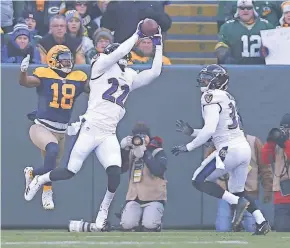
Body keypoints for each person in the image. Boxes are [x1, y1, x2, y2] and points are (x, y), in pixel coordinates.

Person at [24, 20, 163, 231]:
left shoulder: (130, 76)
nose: (127, 58)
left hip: (108, 133)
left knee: (115, 173)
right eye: (123, 55)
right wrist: (137, 35)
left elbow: (154, 73)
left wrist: (159, 44)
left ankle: (103, 210)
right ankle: (40, 178)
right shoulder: (99, 67)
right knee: (71, 171)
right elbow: (117, 54)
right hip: (90, 128)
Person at [171, 64, 271, 235]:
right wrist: (192, 133)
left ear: (218, 81)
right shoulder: (227, 97)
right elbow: (218, 130)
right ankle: (262, 222)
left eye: (208, 78)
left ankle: (236, 202)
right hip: (243, 149)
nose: (204, 81)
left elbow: (210, 130)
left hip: (228, 150)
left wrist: (188, 147)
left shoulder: (210, 96)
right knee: (238, 190)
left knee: (198, 180)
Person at [20, 45, 89, 210]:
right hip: (41, 127)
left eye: (69, 58)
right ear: (53, 59)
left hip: (61, 131)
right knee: (52, 150)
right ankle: (47, 191)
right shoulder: (44, 74)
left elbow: (94, 91)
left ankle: (32, 174)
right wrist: (23, 71)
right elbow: (25, 82)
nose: (67, 61)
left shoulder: (78, 77)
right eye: (63, 58)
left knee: (52, 167)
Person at [204, 134, 273, 232]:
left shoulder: (253, 142)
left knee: (252, 227)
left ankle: (251, 224)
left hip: (249, 191)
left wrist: (268, 189)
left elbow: (265, 167)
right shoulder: (219, 142)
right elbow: (208, 163)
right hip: (226, 192)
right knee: (223, 228)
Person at [119, 122, 168, 232]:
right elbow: (122, 168)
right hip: (134, 198)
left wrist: (145, 154)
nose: (141, 140)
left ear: (149, 137)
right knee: (127, 225)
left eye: (144, 136)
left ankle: (154, 222)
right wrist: (123, 150)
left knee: (150, 226)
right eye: (138, 136)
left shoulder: (158, 151)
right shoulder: (132, 152)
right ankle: (135, 220)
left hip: (154, 197)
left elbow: (158, 171)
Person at [215, 0, 274, 65]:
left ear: (253, 10)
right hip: (236, 70)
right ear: (238, 10)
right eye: (242, 8)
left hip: (262, 70)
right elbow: (221, 46)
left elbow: (275, 48)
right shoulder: (227, 27)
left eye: (249, 8)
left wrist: (267, 51)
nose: (245, 10)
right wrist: (225, 56)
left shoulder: (267, 26)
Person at [261, 113, 290, 232]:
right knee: (282, 228)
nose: (286, 131)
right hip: (282, 192)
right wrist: (270, 143)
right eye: (283, 129)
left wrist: (285, 143)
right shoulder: (278, 144)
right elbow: (266, 159)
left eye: (288, 129)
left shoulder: (284, 143)